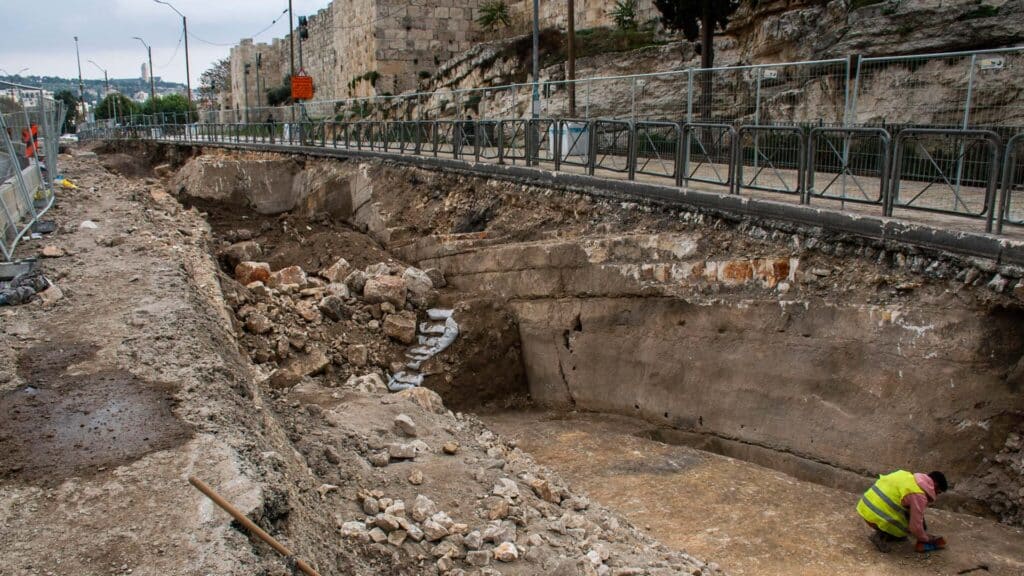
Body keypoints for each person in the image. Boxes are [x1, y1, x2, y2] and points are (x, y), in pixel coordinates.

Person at [857, 470, 949, 552]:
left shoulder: (904, 475)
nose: (936, 495)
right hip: (875, 515)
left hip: (864, 507)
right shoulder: (919, 495)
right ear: (935, 485)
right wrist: (926, 538)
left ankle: (887, 532)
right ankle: (880, 536)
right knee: (906, 528)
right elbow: (915, 528)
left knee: (908, 516)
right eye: (938, 492)